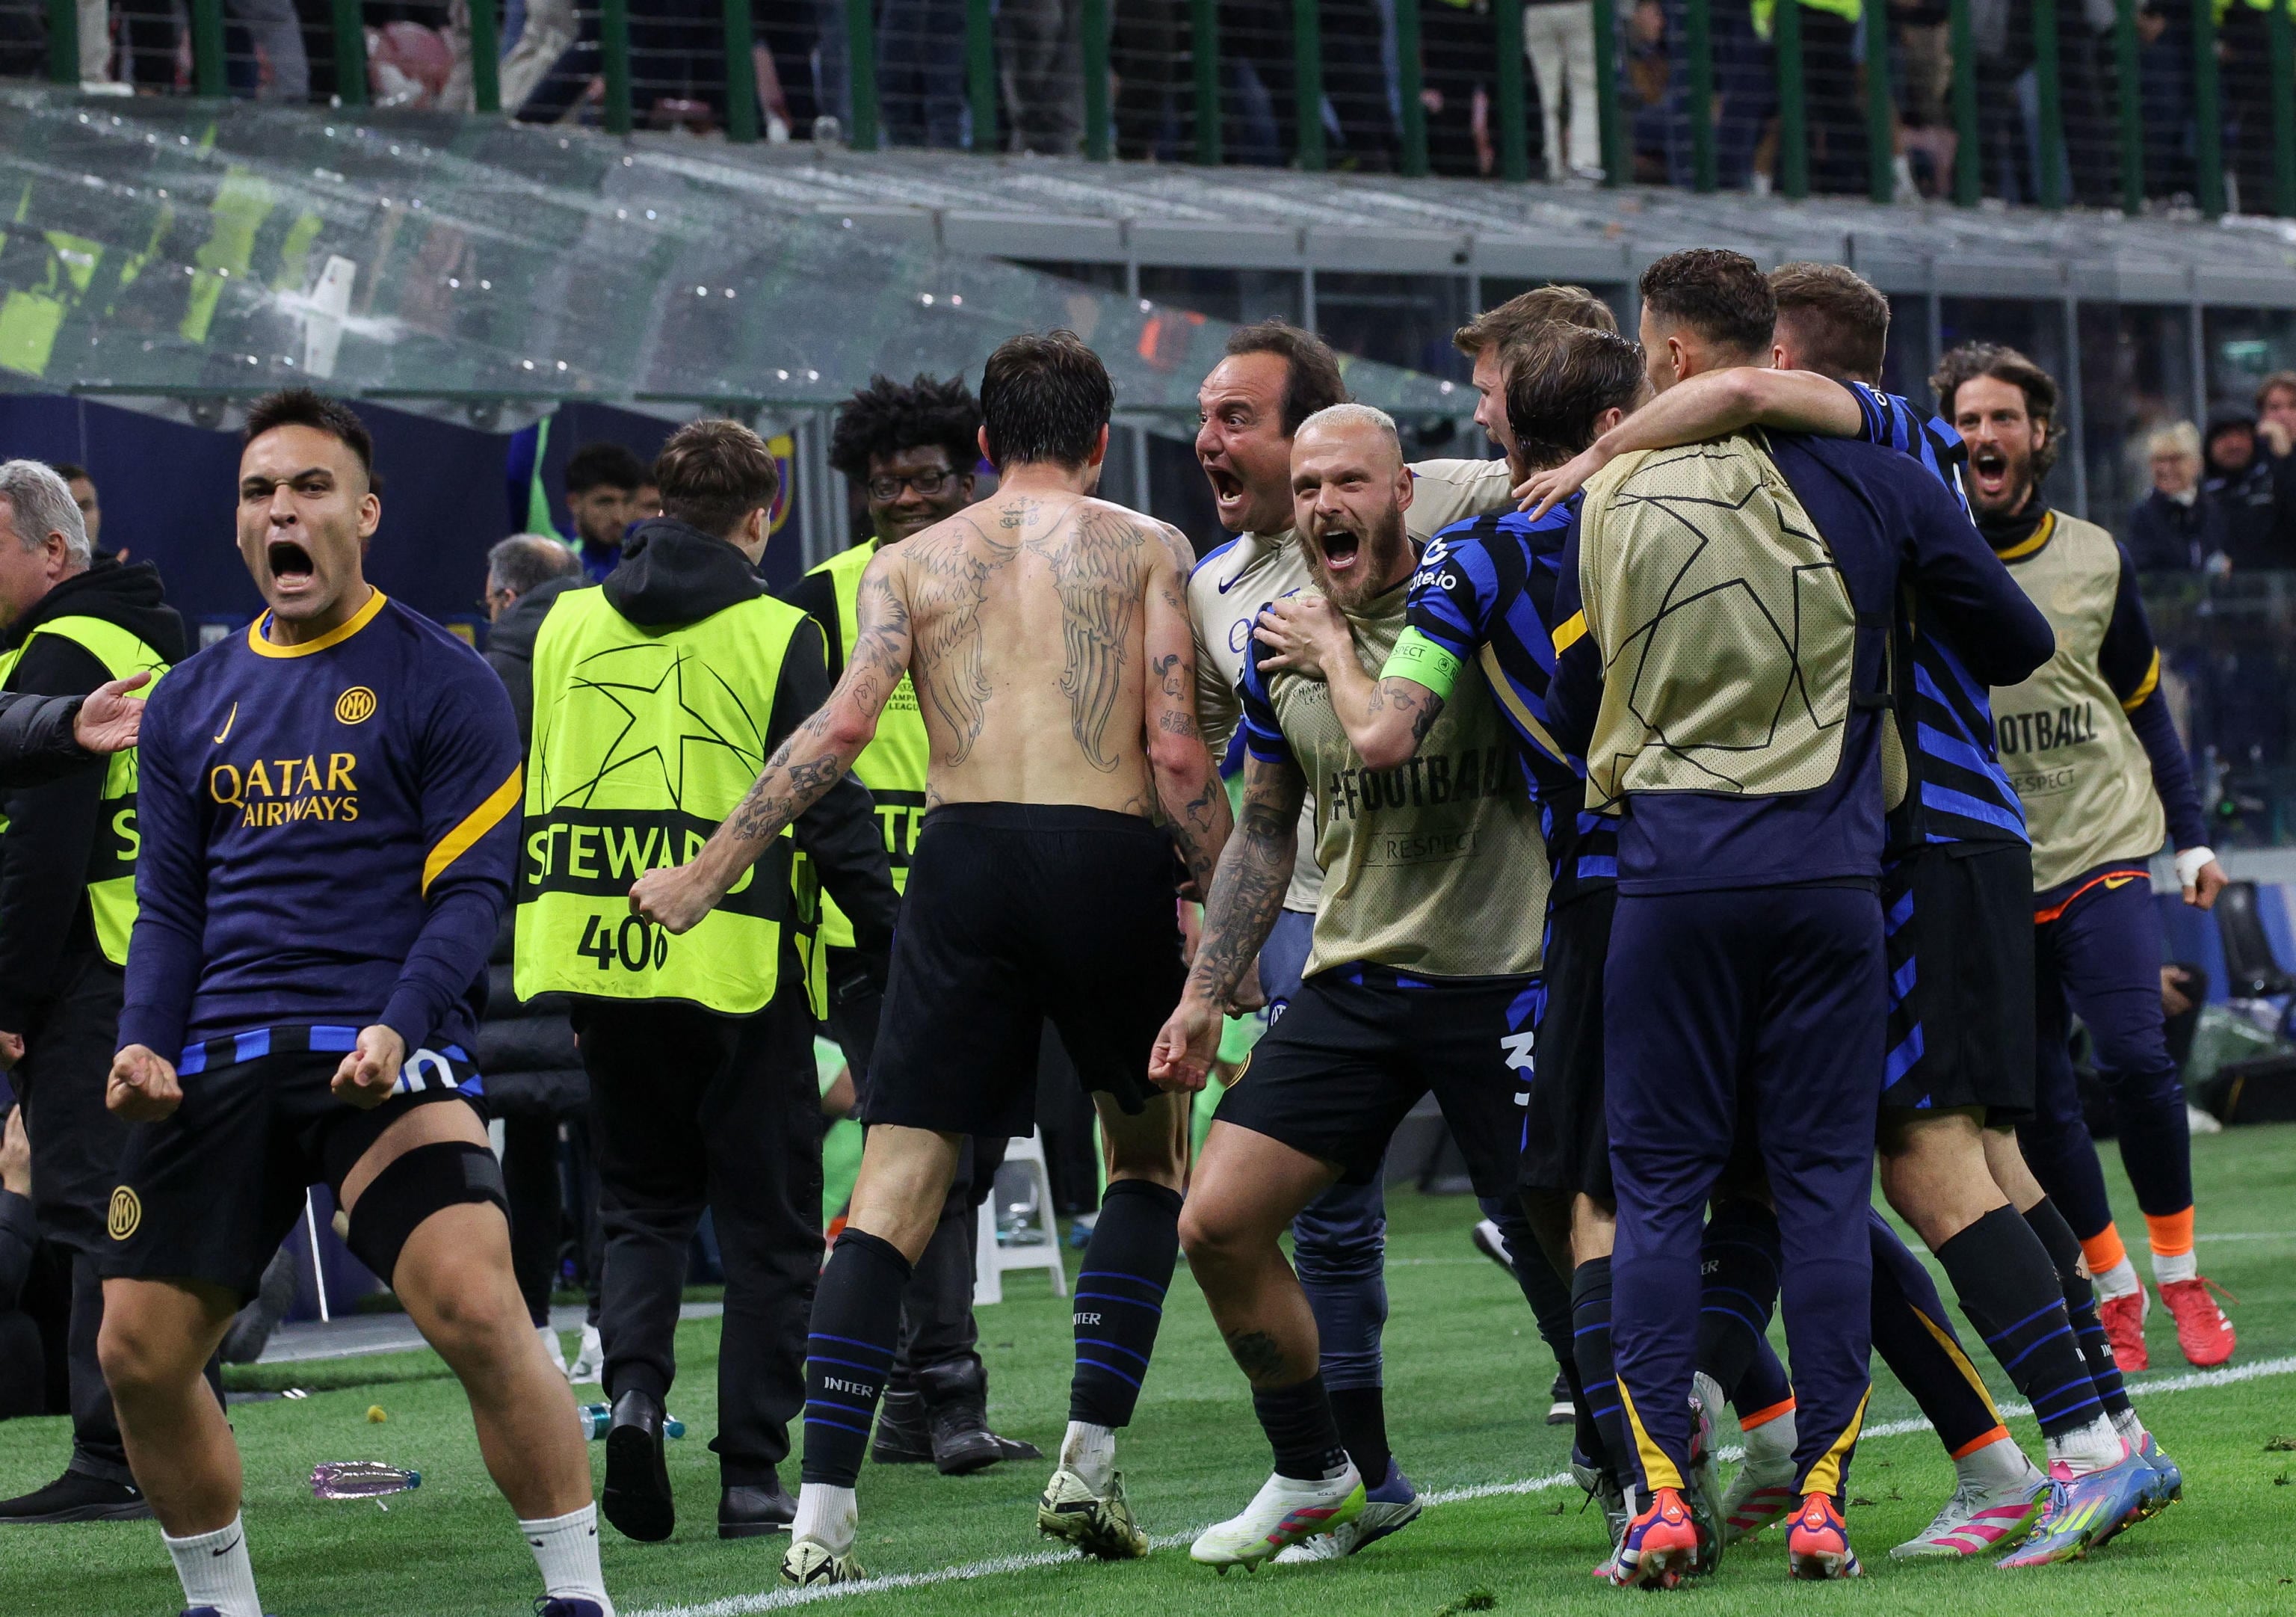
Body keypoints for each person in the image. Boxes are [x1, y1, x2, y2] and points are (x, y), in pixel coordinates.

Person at [1525, 260, 2176, 1567]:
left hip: (1895, 842)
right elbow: (2008, 637)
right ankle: (2082, 1430)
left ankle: (2079, 1442)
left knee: (1914, 1157)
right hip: (1939, 843)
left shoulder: (1840, 469)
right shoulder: (1892, 470)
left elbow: (1583, 681)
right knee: (1972, 1153)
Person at [629, 330, 1232, 1588]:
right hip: (1102, 849)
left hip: (958, 864)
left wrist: (705, 870)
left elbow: (841, 727)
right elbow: (1176, 754)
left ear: (980, 445)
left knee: (896, 1185)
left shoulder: (905, 562)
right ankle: (1083, 1457)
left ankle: (822, 1515)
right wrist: (1231, 905)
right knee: (1147, 1156)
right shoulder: (1147, 545)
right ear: (1104, 436)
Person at [96, 387, 608, 1617]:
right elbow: (168, 906)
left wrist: (403, 1019)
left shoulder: (447, 676)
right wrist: (139, 1044)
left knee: (480, 1304)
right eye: (262, 491)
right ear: (240, 524)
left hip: (383, 1048)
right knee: (135, 1353)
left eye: (312, 487)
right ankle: (220, 1602)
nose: (285, 510)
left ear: (364, 513)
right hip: (216, 1055)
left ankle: (578, 1594)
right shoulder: (186, 700)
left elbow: (472, 887)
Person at [1184, 305, 1588, 1563]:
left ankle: (1640, 1457)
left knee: (1560, 1233)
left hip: (1503, 974)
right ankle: (1317, 1467)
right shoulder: (1271, 645)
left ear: (1403, 489)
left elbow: (1386, 731)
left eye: (1346, 479)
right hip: (1356, 972)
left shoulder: (1471, 593)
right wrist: (1203, 991)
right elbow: (1261, 825)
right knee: (1219, 1221)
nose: (1320, 503)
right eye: (1304, 487)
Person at [517, 419, 898, 1544]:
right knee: (770, 1230)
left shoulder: (562, 620)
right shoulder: (778, 629)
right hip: (737, 968)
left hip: (597, 961)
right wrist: (893, 936)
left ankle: (634, 1394)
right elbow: (824, 800)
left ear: (656, 505)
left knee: (638, 1205)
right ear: (761, 516)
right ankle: (748, 1476)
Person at [1937, 344, 2240, 1384]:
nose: (1987, 437)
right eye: (1970, 419)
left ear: (2041, 436)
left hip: (2105, 842)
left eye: (2005, 419)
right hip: (1989, 864)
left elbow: (2146, 700)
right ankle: (2111, 1287)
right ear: (1949, 435)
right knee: (2035, 1096)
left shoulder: (2096, 557)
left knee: (2134, 1054)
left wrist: (2193, 831)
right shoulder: (1929, 558)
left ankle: (2181, 1268)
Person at [786, 373, 1037, 1476]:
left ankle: (901, 1390)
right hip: (869, 921)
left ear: (967, 474)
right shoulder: (820, 597)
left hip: (991, 904)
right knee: (925, 1145)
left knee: (971, 1156)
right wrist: (876, 912)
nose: (902, 499)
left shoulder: (1017, 578)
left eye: (924, 479)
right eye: (882, 484)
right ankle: (945, 1394)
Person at [0, 461, 183, 1527]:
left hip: (87, 971)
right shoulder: (146, 632)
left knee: (87, 1213)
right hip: (153, 959)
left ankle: (116, 1449)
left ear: (53, 552)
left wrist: (10, 992)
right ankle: (156, 1430)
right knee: (132, 1209)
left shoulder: (61, 652)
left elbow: (39, 848)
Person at [474, 534, 590, 1378]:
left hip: (499, 937)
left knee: (524, 1139)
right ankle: (617, 1327)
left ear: (502, 599)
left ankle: (534, 1324)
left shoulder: (478, 679)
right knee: (608, 1137)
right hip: (607, 926)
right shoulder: (609, 654)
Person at [2126, 422, 2226, 576]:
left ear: (2197, 464)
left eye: (2175, 459)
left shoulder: (2214, 508)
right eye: (2159, 460)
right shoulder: (2144, 515)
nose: (2166, 468)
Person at [2200, 409, 2293, 570]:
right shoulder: (2197, 495)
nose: (2234, 444)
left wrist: (2286, 458)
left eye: (2242, 434)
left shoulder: (2274, 482)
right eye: (2224, 436)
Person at [563, 442, 649, 583]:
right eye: (605, 502)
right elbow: (521, 478)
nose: (618, 517)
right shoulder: (554, 549)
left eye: (627, 502)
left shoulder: (644, 551)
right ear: (574, 503)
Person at [49, 463, 102, 555]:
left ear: (99, 513)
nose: (79, 519)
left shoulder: (116, 567)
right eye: (67, 510)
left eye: (85, 507)